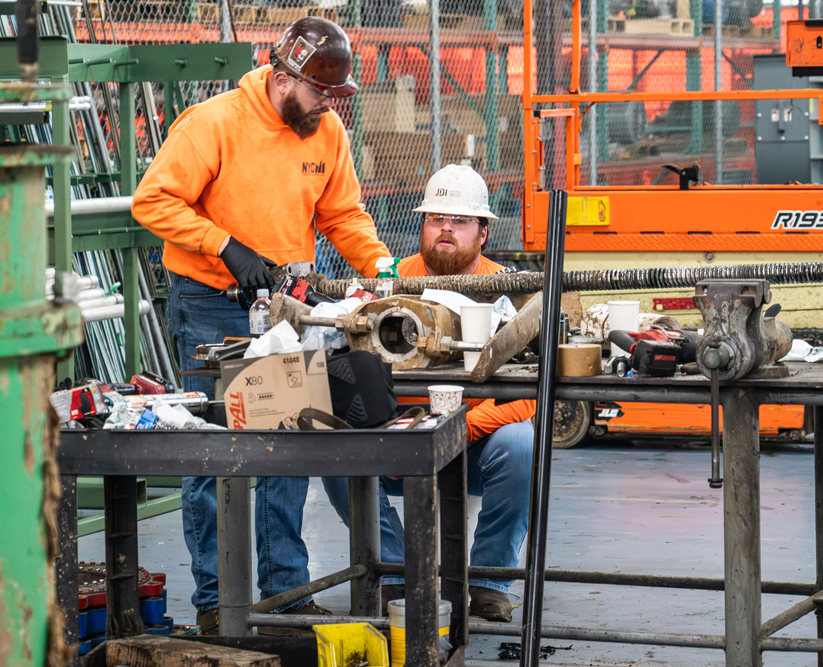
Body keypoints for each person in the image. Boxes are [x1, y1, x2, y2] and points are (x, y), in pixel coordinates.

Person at [131, 18, 391, 635]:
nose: (330, 105)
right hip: (214, 305)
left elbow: (343, 213)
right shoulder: (213, 124)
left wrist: (381, 269)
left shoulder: (325, 131)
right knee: (216, 452)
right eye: (320, 93)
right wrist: (224, 246)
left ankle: (285, 594)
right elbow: (154, 200)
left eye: (335, 95)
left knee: (287, 445)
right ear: (281, 79)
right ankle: (217, 602)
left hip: (289, 307)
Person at [323, 165, 535, 623]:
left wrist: (463, 428)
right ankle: (399, 576)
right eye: (436, 218)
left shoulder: (509, 291)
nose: (445, 229)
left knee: (522, 445)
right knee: (336, 455)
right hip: (399, 441)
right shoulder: (389, 284)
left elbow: (532, 396)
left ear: (482, 232)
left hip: (475, 444)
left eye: (458, 221)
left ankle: (488, 582)